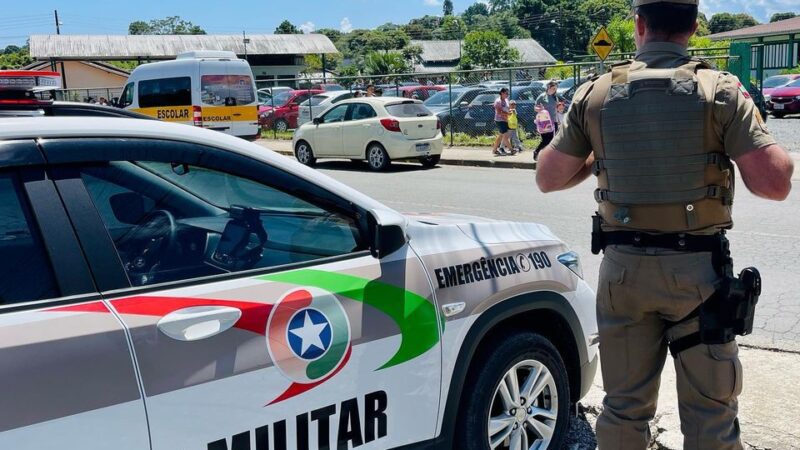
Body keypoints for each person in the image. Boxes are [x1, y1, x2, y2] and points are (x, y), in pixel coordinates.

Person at [536, 1, 793, 449]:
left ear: (638, 24)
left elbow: (548, 176)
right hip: (698, 277)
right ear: (693, 27)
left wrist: (603, 154)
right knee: (711, 415)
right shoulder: (722, 91)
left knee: (623, 410)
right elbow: (775, 184)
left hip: (622, 274)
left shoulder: (595, 93)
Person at [534, 80, 563, 160]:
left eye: (555, 89)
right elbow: (535, 108)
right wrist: (540, 109)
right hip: (544, 121)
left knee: (553, 140)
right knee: (546, 140)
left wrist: (558, 120)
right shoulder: (542, 96)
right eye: (553, 88)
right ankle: (537, 152)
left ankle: (548, 156)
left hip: (554, 121)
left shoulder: (555, 97)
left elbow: (556, 109)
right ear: (548, 88)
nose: (555, 90)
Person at [491, 88, 513, 156]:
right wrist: (507, 114)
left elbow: (507, 108)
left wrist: (510, 111)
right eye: (506, 93)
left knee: (501, 136)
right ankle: (512, 150)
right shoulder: (498, 101)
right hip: (500, 120)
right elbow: (498, 112)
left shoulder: (506, 100)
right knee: (505, 136)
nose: (507, 95)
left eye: (508, 93)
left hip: (505, 120)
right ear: (502, 93)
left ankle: (494, 150)